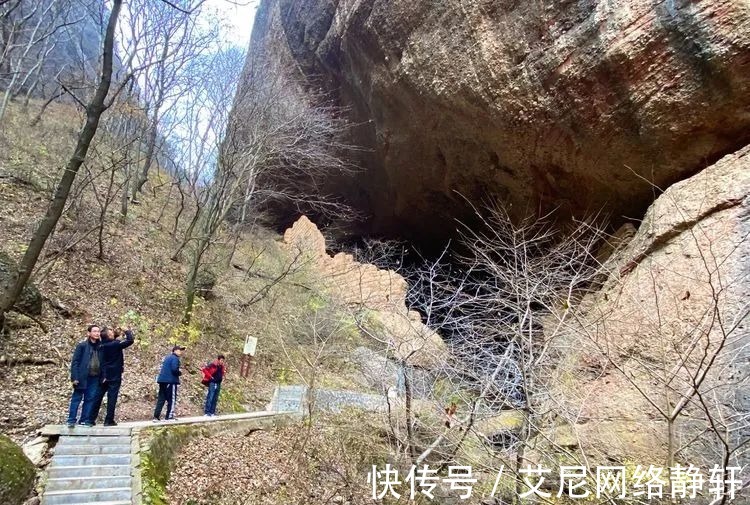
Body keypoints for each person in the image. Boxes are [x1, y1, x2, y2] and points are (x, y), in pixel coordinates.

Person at [86, 326, 135, 426]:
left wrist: (116, 332)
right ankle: (109, 420)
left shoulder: (101, 345)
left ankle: (90, 419)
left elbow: (112, 338)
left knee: (98, 397)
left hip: (103, 375)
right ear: (108, 336)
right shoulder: (115, 345)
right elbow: (130, 340)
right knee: (112, 397)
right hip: (114, 375)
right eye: (111, 332)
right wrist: (126, 331)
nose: (113, 333)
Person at [66, 324, 101, 428]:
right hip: (82, 377)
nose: (97, 333)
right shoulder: (82, 346)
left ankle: (84, 419)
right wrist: (74, 377)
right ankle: (71, 420)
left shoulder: (100, 346)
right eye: (94, 331)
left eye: (98, 331)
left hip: (95, 377)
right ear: (89, 333)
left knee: (90, 399)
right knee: (77, 398)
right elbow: (75, 362)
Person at [153, 345, 185, 421]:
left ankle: (156, 416)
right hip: (170, 381)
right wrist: (179, 372)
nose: (181, 352)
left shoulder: (167, 358)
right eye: (180, 350)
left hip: (162, 380)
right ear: (175, 351)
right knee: (172, 399)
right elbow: (174, 369)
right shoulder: (175, 358)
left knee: (161, 398)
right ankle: (169, 416)